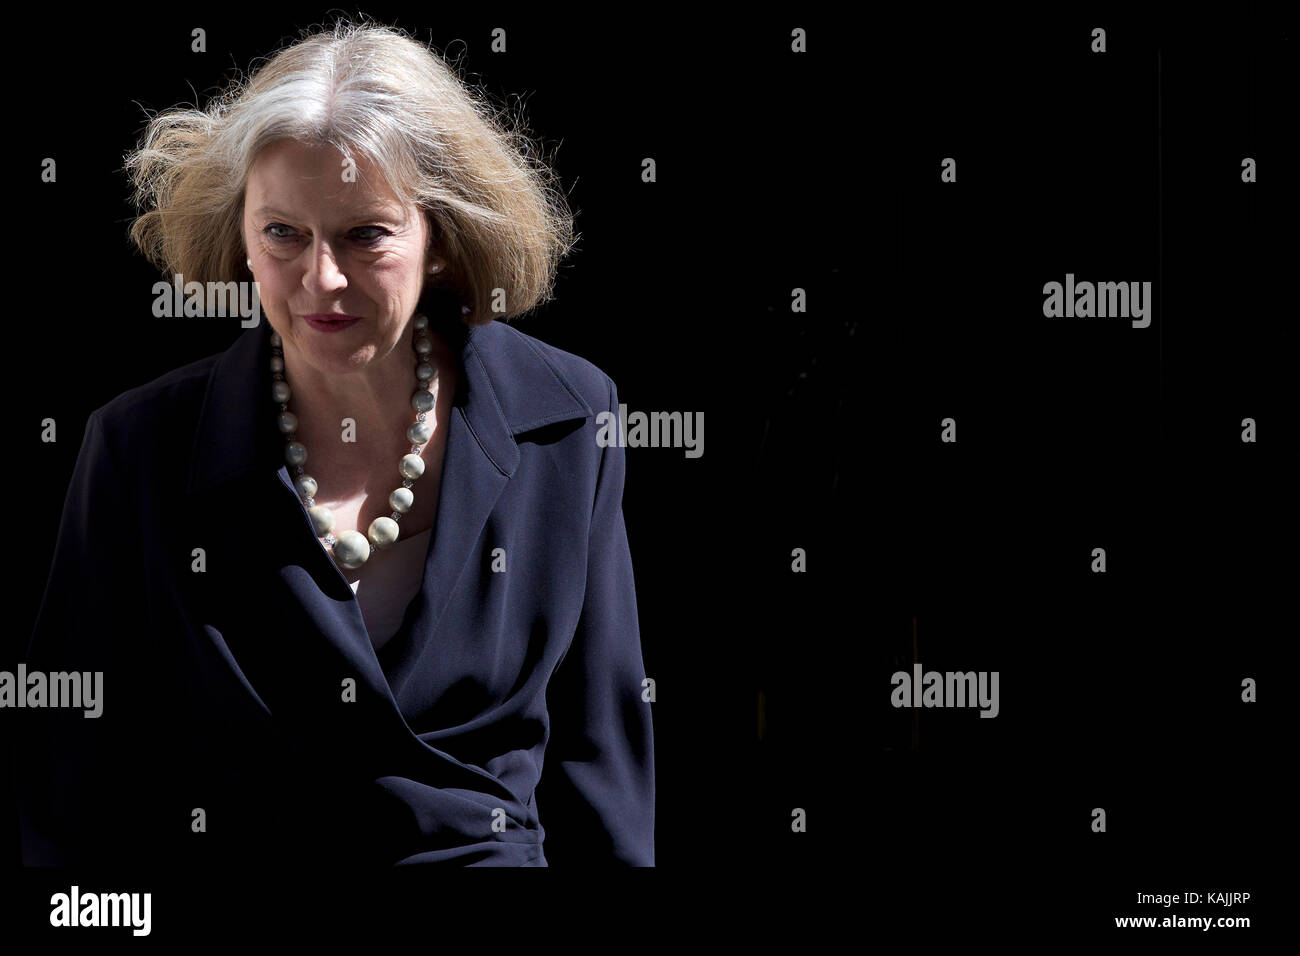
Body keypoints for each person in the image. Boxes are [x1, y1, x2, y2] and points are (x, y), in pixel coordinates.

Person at [16, 19, 654, 867]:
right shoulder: (139, 448)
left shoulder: (571, 418)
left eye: (366, 234)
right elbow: (67, 795)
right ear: (240, 235)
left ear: (441, 234)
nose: (322, 278)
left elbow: (602, 766)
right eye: (283, 234)